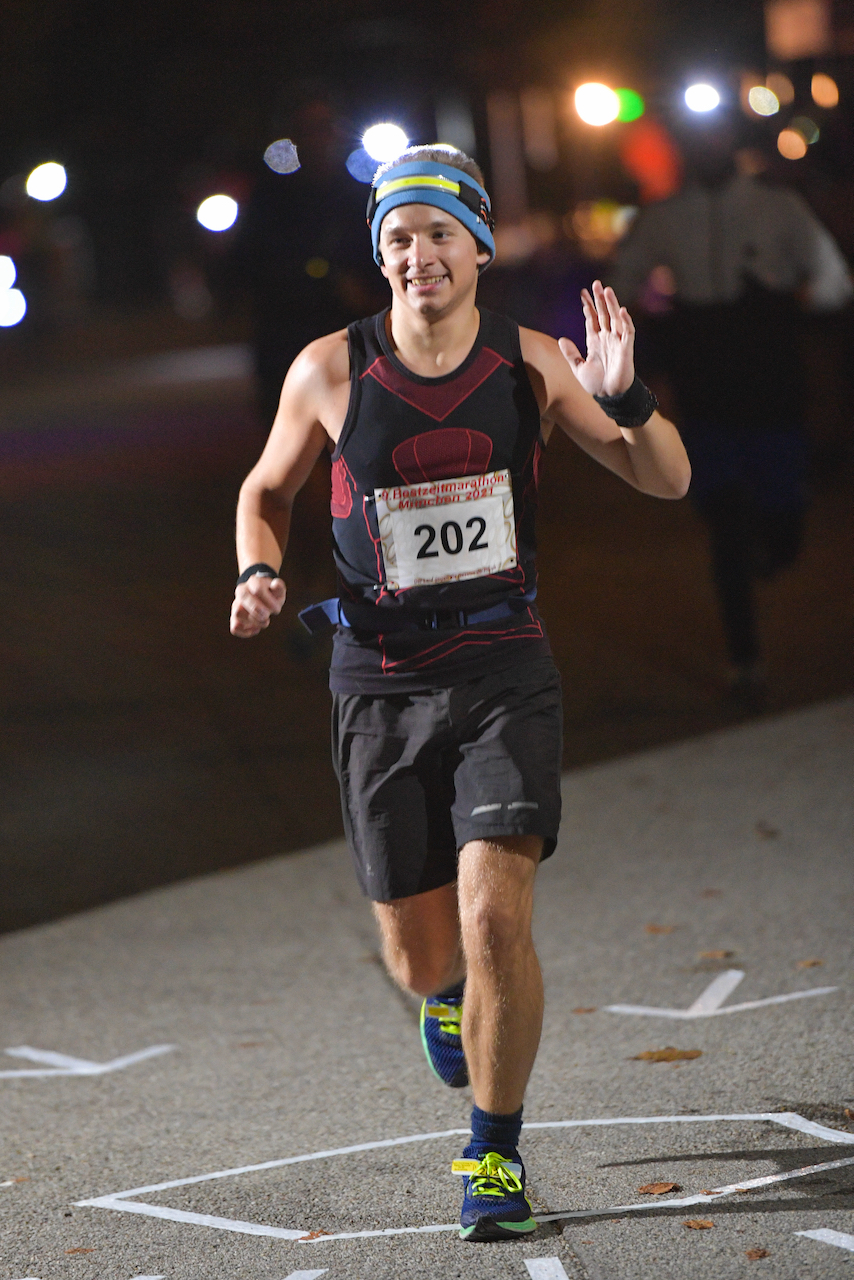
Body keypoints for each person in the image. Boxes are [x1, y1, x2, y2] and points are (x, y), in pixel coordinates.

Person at [230, 145, 690, 1242]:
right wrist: (257, 567)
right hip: (378, 681)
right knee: (422, 955)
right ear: (377, 256)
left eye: (438, 233)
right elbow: (266, 487)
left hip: (500, 666)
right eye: (395, 237)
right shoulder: (327, 370)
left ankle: (492, 1150)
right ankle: (440, 995)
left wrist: (629, 397)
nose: (416, 254)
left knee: (494, 919)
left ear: (476, 244)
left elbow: (662, 477)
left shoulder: (529, 362)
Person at [610, 117, 852, 700]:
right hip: (706, 378)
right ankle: (744, 657)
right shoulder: (665, 215)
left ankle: (770, 552)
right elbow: (621, 280)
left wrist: (792, 300)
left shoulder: (777, 206)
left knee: (781, 518)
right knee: (722, 517)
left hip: (770, 377)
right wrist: (653, 316)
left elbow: (833, 280)